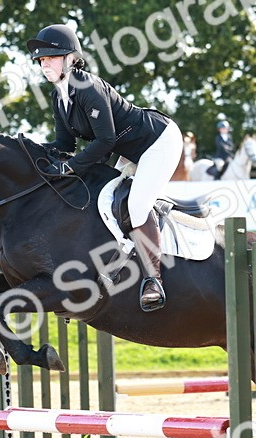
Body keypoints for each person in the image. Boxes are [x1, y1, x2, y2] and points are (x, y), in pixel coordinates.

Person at [27, 23, 182, 312]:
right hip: (129, 149)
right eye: (41, 59)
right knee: (107, 201)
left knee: (136, 205)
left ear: (70, 58)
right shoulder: (58, 96)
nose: (44, 63)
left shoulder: (88, 87)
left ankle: (153, 280)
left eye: (51, 57)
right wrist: (30, 150)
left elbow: (105, 140)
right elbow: (65, 143)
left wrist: (70, 168)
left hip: (157, 141)